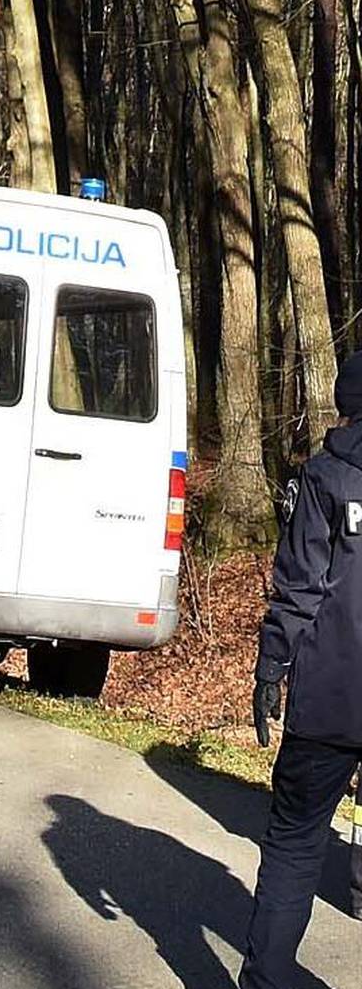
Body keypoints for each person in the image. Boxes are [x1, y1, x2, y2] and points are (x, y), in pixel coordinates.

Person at [240, 350, 362, 988]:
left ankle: (266, 979)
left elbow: (299, 590)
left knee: (295, 840)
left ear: (347, 406)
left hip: (330, 697)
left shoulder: (323, 477)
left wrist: (270, 669)